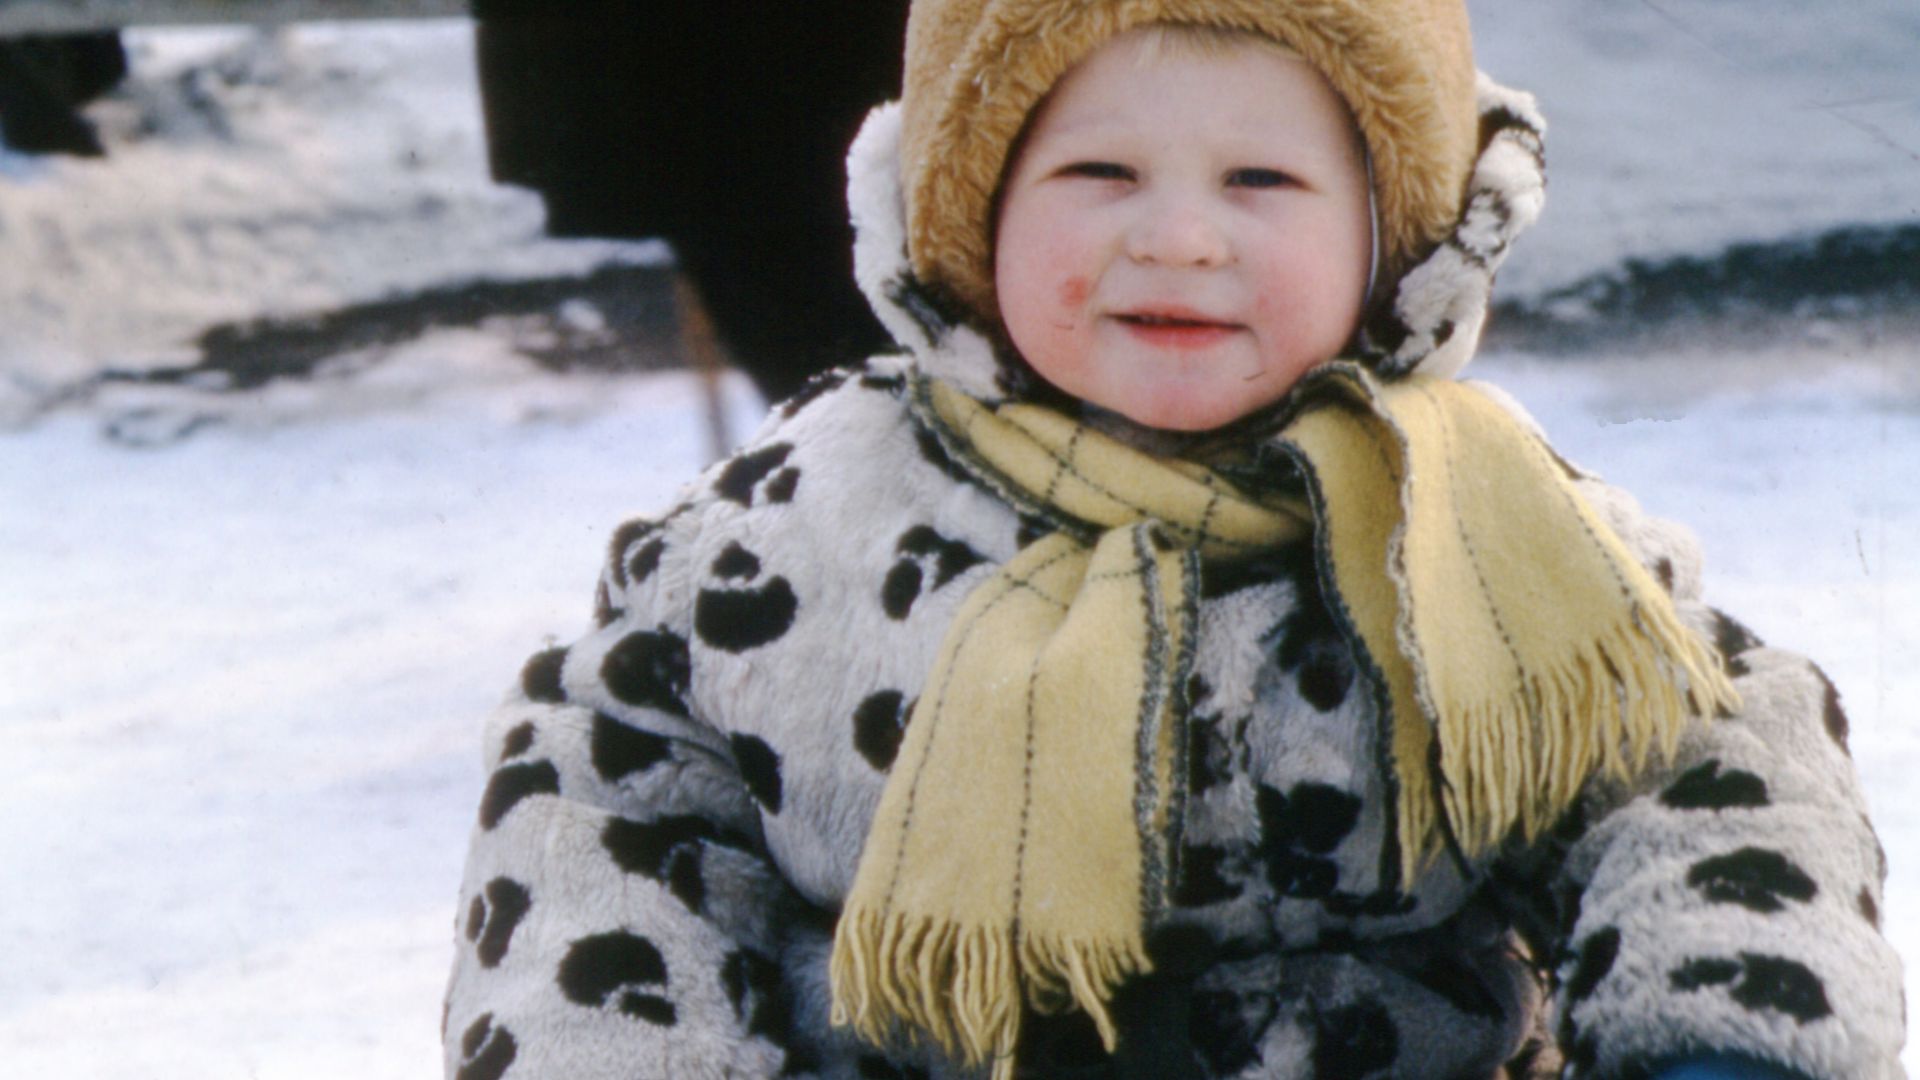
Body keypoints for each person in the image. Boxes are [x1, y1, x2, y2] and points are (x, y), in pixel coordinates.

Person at [441, 2, 1905, 1077]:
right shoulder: (811, 518)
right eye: (1098, 176)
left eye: (1262, 183)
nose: (1182, 237)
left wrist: (1727, 1039)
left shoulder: (1484, 528)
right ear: (966, 213)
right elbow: (611, 797)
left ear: (1397, 237)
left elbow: (1703, 761)